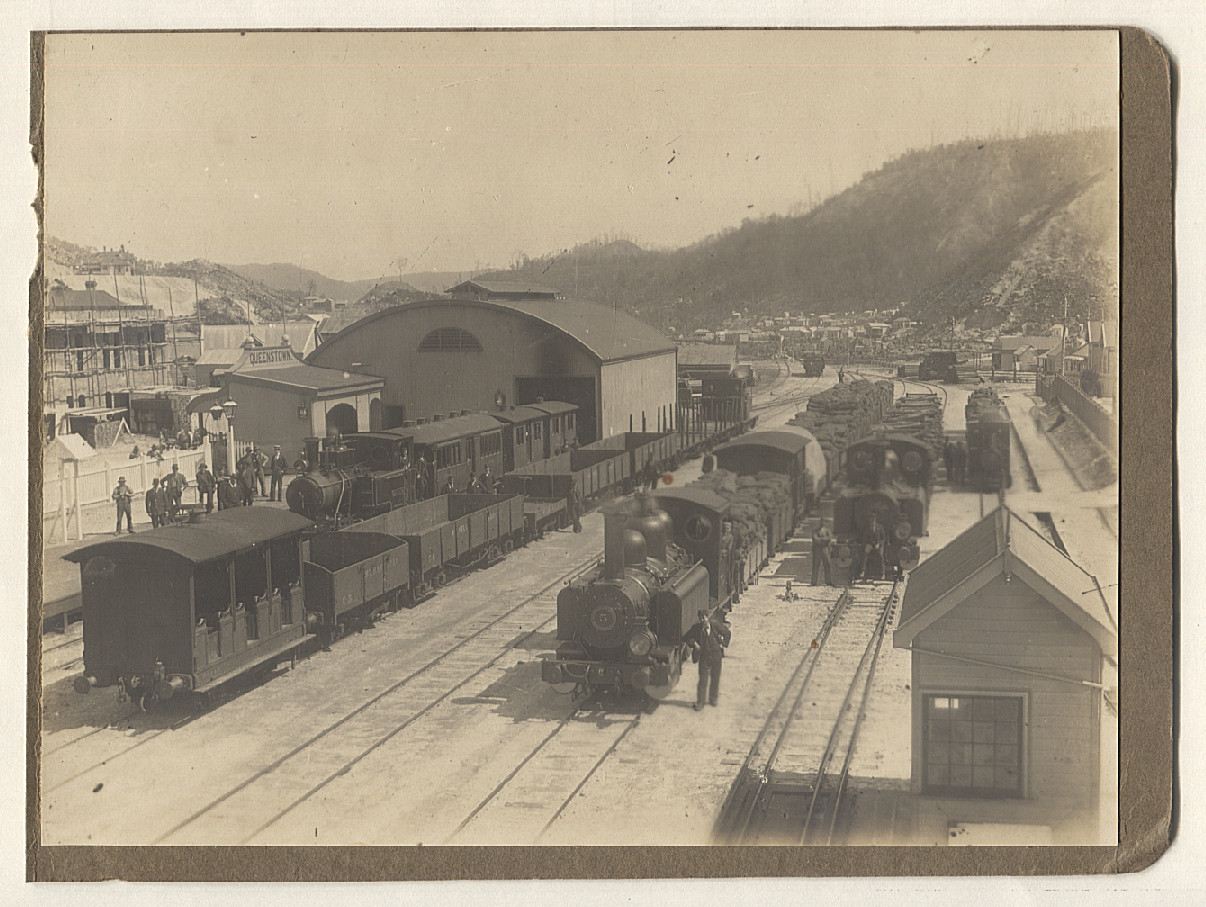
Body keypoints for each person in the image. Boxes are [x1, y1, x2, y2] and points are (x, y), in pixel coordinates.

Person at [683, 609, 731, 710]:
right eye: (701, 618)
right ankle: (700, 702)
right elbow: (687, 637)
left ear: (708, 617)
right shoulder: (696, 628)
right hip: (704, 657)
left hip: (716, 656)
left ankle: (713, 699)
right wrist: (694, 644)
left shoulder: (715, 625)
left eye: (704, 617)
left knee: (715, 678)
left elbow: (727, 633)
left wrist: (723, 643)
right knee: (703, 680)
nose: (703, 620)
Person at [861, 517, 886, 583]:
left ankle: (882, 573)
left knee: (881, 556)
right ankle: (863, 570)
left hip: (879, 544)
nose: (872, 524)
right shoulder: (867, 528)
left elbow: (883, 538)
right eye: (871, 523)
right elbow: (864, 538)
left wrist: (878, 544)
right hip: (870, 544)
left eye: (873, 522)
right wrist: (867, 544)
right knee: (865, 554)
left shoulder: (880, 527)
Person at [811, 519, 833, 586]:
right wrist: (823, 540)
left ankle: (828, 581)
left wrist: (821, 540)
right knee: (815, 565)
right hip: (817, 550)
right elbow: (815, 539)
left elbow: (829, 538)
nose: (822, 524)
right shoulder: (815, 531)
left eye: (823, 523)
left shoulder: (827, 530)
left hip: (825, 549)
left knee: (827, 565)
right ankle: (814, 582)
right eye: (821, 523)